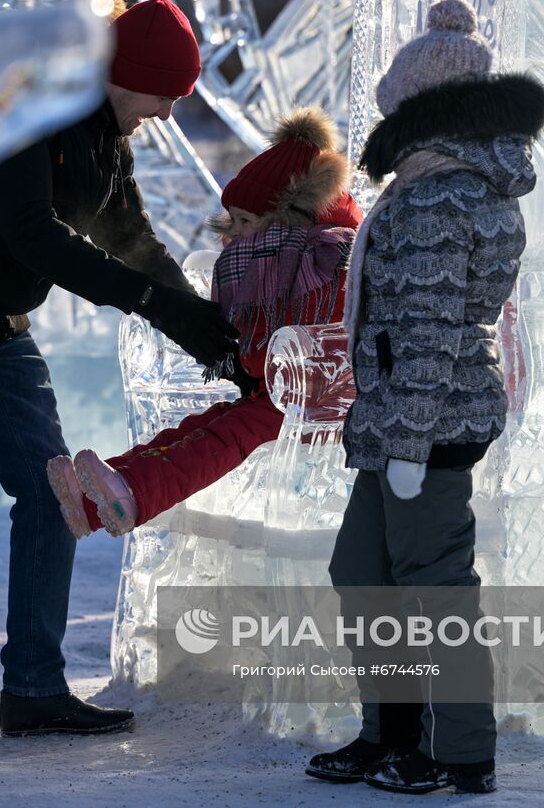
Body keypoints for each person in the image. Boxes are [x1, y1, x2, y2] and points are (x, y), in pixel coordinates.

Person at [0, 0, 243, 737]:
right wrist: (150, 300)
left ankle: (35, 690)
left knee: (54, 499)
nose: (167, 114)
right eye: (162, 95)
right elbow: (31, 236)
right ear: (126, 72)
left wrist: (210, 333)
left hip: (2, 331)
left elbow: (134, 239)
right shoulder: (31, 105)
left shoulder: (109, 138)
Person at [306, 0, 544, 794]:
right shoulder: (425, 181)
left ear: (426, 107)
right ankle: (391, 732)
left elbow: (432, 329)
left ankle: (460, 752)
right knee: (362, 568)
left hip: (429, 418)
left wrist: (408, 441)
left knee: (435, 582)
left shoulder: (449, 194)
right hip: (398, 415)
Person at [47, 107, 362, 537]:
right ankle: (97, 496)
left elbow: (322, 341)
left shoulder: (329, 258)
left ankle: (133, 493)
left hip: (324, 403)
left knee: (222, 437)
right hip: (283, 393)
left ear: (291, 218)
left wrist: (255, 365)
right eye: (231, 219)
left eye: (247, 222)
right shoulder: (278, 260)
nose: (232, 234)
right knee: (200, 428)